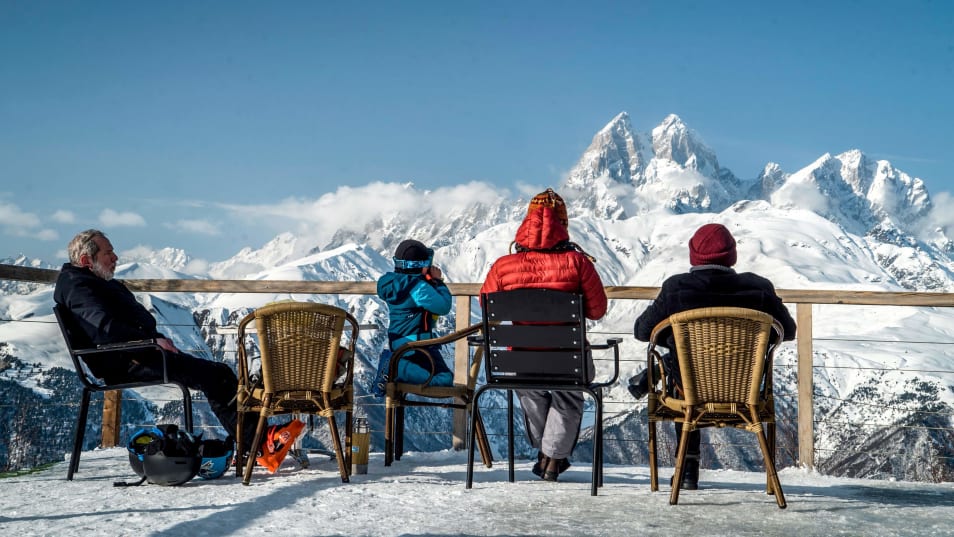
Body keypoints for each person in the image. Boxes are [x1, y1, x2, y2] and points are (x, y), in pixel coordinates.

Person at [53, 229, 296, 468]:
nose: (115, 258)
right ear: (86, 260)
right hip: (129, 361)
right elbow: (106, 328)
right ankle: (259, 444)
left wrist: (154, 340)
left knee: (218, 373)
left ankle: (256, 441)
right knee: (217, 376)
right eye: (108, 253)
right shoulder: (80, 288)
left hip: (141, 353)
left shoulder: (92, 282)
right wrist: (150, 342)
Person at [631, 223, 797, 490]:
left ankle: (686, 471)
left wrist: (674, 340)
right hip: (747, 392)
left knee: (682, 377)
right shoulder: (760, 288)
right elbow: (788, 331)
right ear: (732, 256)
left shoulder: (676, 288)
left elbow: (642, 331)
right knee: (682, 371)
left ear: (693, 256)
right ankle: (771, 482)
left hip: (688, 390)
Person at [480, 188, 608, 482]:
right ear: (563, 224)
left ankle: (547, 453)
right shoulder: (578, 264)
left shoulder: (503, 266)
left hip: (520, 363)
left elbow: (488, 309)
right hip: (569, 361)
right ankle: (552, 459)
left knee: (532, 391)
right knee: (569, 395)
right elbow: (597, 309)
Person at [375, 239, 454, 390]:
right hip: (416, 348)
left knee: (444, 377)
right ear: (419, 266)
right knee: (445, 380)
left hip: (400, 344)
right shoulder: (418, 288)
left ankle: (396, 365)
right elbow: (443, 307)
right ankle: (398, 369)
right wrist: (438, 282)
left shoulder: (394, 283)